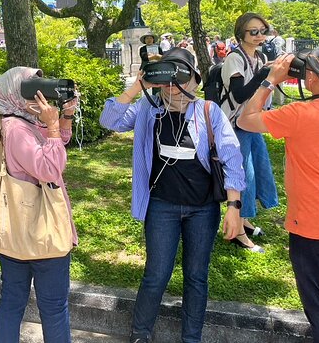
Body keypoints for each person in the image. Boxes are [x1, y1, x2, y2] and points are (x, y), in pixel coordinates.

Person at [100, 48, 244, 343]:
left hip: (203, 210)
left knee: (196, 277)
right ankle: (140, 334)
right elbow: (109, 120)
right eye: (169, 80)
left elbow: (232, 159)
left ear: (195, 80)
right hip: (161, 206)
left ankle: (191, 338)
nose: (175, 88)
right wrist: (139, 86)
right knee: (156, 275)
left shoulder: (208, 111)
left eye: (183, 79)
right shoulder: (148, 109)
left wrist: (234, 206)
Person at [237, 44, 319, 343]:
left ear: (312, 79)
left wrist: (270, 80)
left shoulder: (298, 113)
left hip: (313, 226)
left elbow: (245, 119)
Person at [0, 67, 78, 343]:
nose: (36, 91)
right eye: (28, 87)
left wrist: (64, 117)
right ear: (13, 93)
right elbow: (50, 168)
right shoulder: (16, 129)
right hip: (41, 231)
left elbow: (58, 143)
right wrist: (50, 126)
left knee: (13, 300)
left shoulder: (22, 121)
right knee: (52, 307)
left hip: (17, 232)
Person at [220, 13, 279, 252]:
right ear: (240, 34)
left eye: (262, 30)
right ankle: (238, 232)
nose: (259, 36)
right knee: (243, 176)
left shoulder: (260, 56)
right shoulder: (234, 58)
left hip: (252, 122)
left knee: (257, 171)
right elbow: (239, 95)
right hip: (236, 125)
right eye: (253, 32)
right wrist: (262, 76)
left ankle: (243, 220)